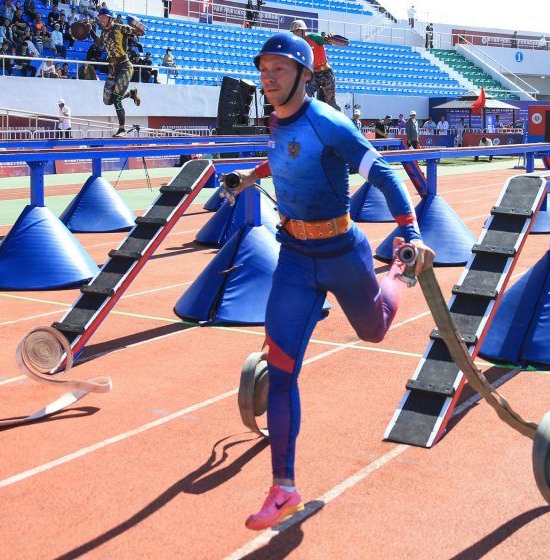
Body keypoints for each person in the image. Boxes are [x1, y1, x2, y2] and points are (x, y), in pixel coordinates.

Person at [227, 33, 434, 531]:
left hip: (342, 253)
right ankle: (284, 488)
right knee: (281, 370)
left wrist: (409, 235)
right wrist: (251, 176)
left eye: (278, 69)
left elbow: (384, 174)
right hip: (295, 259)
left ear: (304, 74)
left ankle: (396, 273)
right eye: (263, 70)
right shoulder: (276, 120)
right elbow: (283, 156)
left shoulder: (330, 123)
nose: (267, 78)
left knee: (374, 331)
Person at [86, 7, 142, 137]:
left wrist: (136, 25)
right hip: (113, 69)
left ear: (110, 18)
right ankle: (131, 94)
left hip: (125, 66)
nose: (101, 20)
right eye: (100, 18)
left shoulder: (120, 28)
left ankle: (122, 129)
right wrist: (91, 31)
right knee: (107, 100)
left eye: (103, 17)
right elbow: (99, 43)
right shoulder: (104, 32)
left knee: (116, 98)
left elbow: (140, 33)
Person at [290, 19, 343, 111]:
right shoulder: (298, 45)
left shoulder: (314, 38)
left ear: (303, 30)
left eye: (297, 31)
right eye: (293, 32)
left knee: (331, 103)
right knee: (303, 97)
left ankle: (341, 118)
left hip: (326, 73)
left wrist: (328, 38)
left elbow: (327, 41)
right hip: (313, 74)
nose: (295, 33)